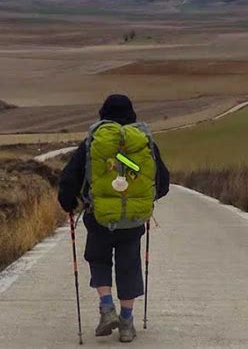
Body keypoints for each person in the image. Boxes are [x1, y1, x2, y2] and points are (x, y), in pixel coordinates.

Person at [58, 94, 169, 343]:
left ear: (102, 114)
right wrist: (145, 200)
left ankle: (107, 308)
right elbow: (162, 181)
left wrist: (69, 203)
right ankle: (127, 324)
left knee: (99, 260)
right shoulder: (144, 143)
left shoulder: (92, 142)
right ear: (132, 115)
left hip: (99, 218)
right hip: (132, 221)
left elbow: (69, 179)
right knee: (129, 267)